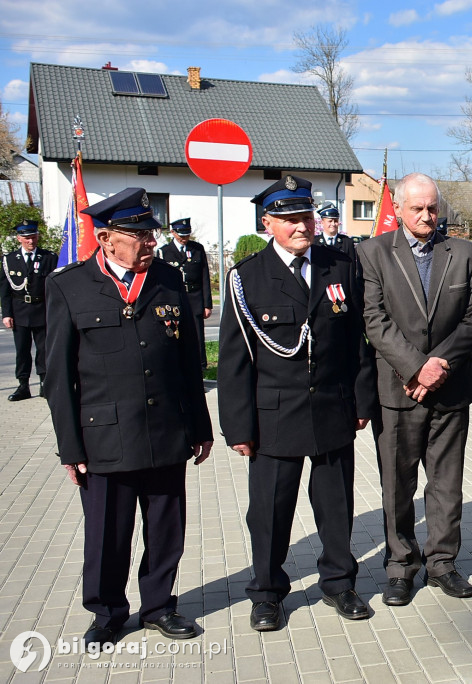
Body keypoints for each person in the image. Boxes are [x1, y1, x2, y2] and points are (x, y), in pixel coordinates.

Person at [42, 187, 213, 647]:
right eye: (138, 234)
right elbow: (57, 378)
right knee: (106, 534)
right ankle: (107, 612)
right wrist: (70, 447)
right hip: (104, 437)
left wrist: (200, 426)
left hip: (166, 431)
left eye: (150, 233)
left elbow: (188, 362)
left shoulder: (169, 280)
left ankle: (158, 606)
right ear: (105, 237)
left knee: (165, 529)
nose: (149, 242)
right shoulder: (68, 285)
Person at [218, 175, 376, 630]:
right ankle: (267, 593)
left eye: (305, 216)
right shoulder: (247, 277)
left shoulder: (340, 266)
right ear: (268, 223)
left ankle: (340, 583)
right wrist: (239, 428)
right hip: (274, 417)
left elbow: (356, 345)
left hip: (331, 407)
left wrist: (360, 401)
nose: (301, 226)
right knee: (269, 511)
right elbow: (233, 361)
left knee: (336, 506)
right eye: (288, 219)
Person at [359, 173, 472, 605]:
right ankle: (400, 566)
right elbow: (374, 319)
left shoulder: (465, 254)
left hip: (450, 391)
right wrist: (415, 368)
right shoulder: (372, 253)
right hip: (399, 392)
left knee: (447, 484)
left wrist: (440, 366)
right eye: (417, 208)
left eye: (433, 208)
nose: (428, 216)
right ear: (397, 208)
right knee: (397, 484)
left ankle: (443, 564)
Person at [1, 219, 56, 400]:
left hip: (42, 310)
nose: (31, 241)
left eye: (33, 237)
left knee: (44, 349)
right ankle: (23, 386)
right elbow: (5, 290)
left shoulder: (49, 258)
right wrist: (7, 314)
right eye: (27, 238)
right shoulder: (9, 260)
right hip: (20, 311)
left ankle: (44, 384)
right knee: (22, 351)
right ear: (19, 239)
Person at [155, 218, 213, 369]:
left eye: (187, 234)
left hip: (194, 297)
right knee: (175, 331)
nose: (184, 238)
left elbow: (204, 277)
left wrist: (207, 304)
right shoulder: (164, 251)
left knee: (197, 334)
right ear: (173, 233)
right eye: (181, 234)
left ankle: (200, 365)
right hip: (175, 296)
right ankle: (177, 363)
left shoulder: (197, 249)